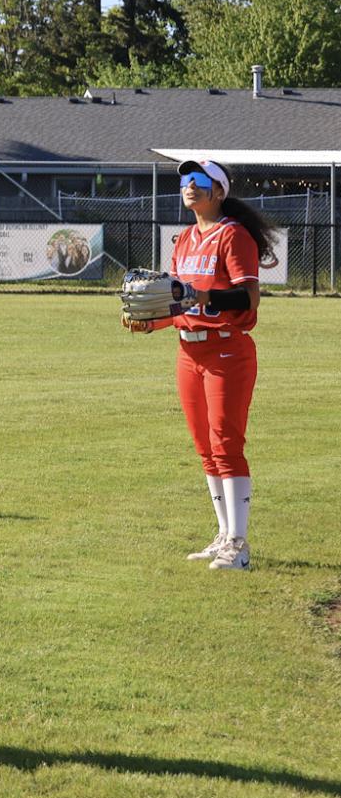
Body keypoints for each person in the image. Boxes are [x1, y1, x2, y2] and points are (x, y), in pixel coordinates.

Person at [124, 158, 275, 570]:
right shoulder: (186, 238)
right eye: (185, 180)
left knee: (226, 444)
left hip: (227, 349)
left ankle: (239, 546)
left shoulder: (234, 236)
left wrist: (205, 296)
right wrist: (152, 322)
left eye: (200, 180)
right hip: (189, 352)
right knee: (206, 448)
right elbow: (180, 304)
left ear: (219, 191)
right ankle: (223, 535)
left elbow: (248, 299)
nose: (189, 185)